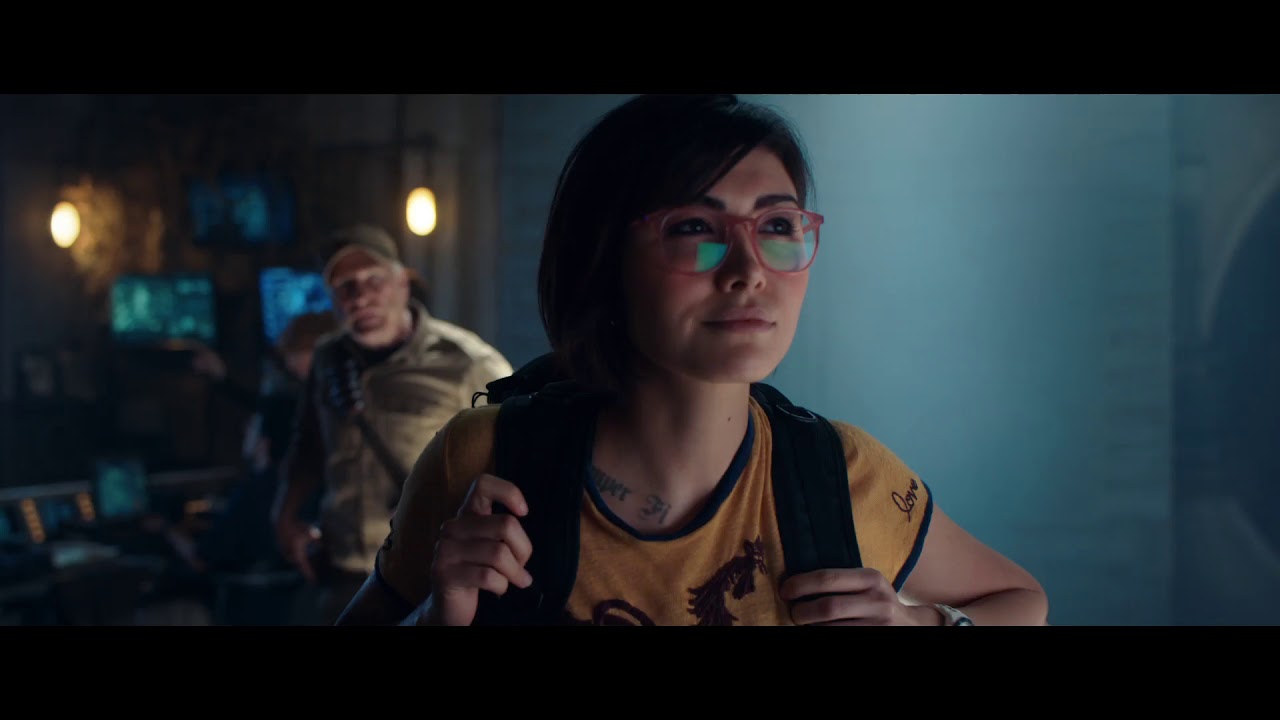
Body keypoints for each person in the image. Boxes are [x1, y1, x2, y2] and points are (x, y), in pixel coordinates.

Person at [336, 94, 1049, 627]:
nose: (749, 269)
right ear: (604, 256)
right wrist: (439, 616)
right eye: (695, 228)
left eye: (778, 224)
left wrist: (923, 623)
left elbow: (1021, 600)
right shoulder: (485, 461)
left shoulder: (844, 475)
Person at [272, 224, 513, 625]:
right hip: (340, 570)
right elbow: (308, 442)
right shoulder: (328, 357)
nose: (361, 296)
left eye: (374, 280)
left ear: (403, 283)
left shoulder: (468, 362)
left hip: (424, 577)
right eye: (345, 286)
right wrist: (285, 515)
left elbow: (518, 457)